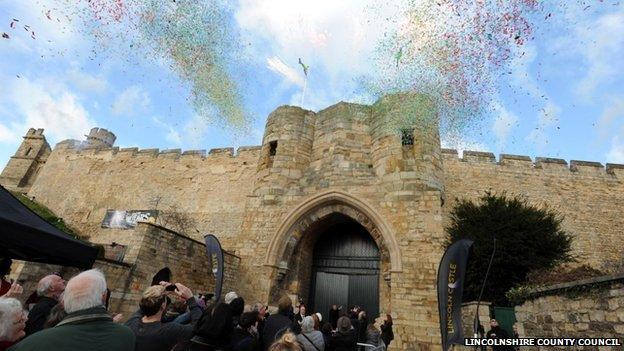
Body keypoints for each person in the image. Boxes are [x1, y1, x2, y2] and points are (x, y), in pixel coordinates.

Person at [9, 269, 135, 351]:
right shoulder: (127, 336)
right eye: (59, 280)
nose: (63, 280)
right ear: (104, 296)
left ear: (66, 299)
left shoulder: (28, 345)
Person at [125, 282, 202, 351]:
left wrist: (158, 291)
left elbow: (147, 302)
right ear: (163, 305)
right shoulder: (168, 330)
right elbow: (199, 327)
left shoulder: (132, 321)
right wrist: (190, 299)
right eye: (166, 300)